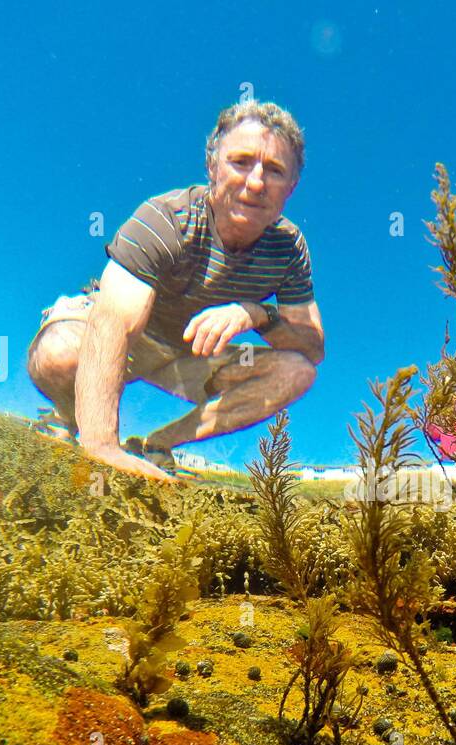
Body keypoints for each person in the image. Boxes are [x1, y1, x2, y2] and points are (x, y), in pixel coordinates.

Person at [26, 100, 325, 480]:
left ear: (292, 187)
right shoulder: (166, 219)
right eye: (241, 162)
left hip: (188, 355)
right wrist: (102, 446)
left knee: (297, 371)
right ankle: (67, 418)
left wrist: (256, 313)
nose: (256, 182)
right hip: (125, 338)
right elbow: (115, 323)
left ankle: (157, 445)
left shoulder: (289, 248)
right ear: (212, 165)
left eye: (275, 170)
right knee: (58, 353)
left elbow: (311, 347)